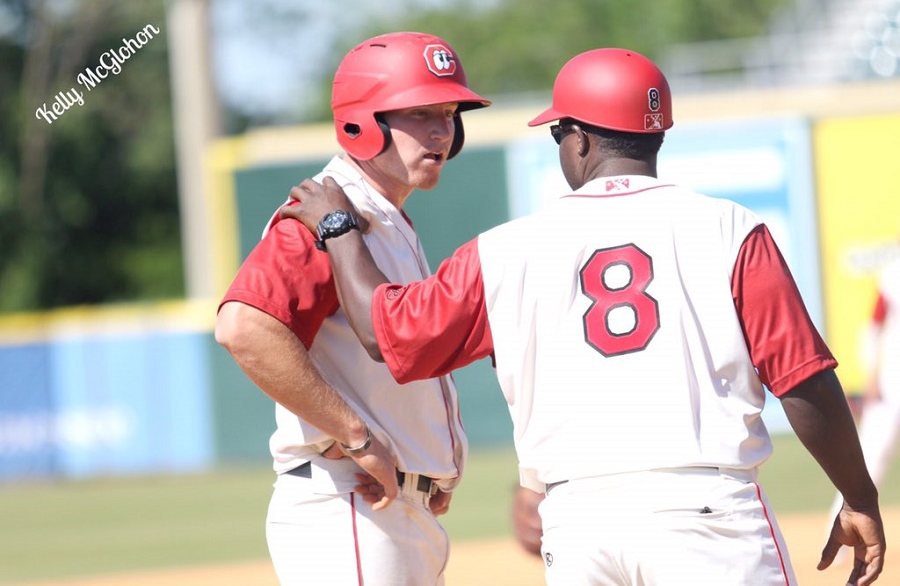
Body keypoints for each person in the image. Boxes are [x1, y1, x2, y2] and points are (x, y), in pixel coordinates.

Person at [279, 47, 887, 585]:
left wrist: (338, 228)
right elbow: (804, 381)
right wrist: (857, 495)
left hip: (578, 525)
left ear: (578, 139)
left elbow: (388, 333)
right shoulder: (732, 230)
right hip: (709, 514)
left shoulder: (505, 250)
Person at [215, 31, 489, 585]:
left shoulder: (381, 213)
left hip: (386, 510)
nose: (442, 130)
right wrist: (356, 436)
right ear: (363, 122)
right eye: (420, 113)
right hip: (350, 506)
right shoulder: (325, 211)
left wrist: (429, 466)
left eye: (449, 113)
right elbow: (243, 327)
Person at [828, 253, 900, 547]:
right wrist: (871, 375)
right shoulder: (895, 272)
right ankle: (842, 533)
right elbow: (872, 328)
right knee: (870, 459)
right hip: (892, 381)